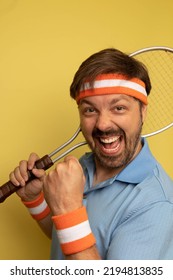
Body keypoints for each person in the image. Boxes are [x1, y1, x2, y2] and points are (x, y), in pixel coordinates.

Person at [10, 48, 173, 260]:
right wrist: (35, 200)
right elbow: (64, 235)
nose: (103, 124)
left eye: (119, 108)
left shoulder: (155, 204)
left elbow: (71, 225)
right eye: (90, 110)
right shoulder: (84, 166)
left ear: (142, 112)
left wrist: (69, 210)